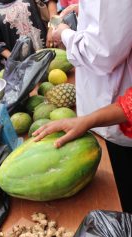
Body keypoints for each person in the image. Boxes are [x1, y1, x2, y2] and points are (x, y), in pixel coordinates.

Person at [37, 0, 132, 213]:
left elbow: (101, 54)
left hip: (114, 122)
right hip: (108, 115)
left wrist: (63, 33)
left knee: (121, 201)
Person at [0, 0, 57, 70]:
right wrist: (15, 60)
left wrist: (52, 28)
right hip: (24, 68)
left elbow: (51, 2)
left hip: (51, 52)